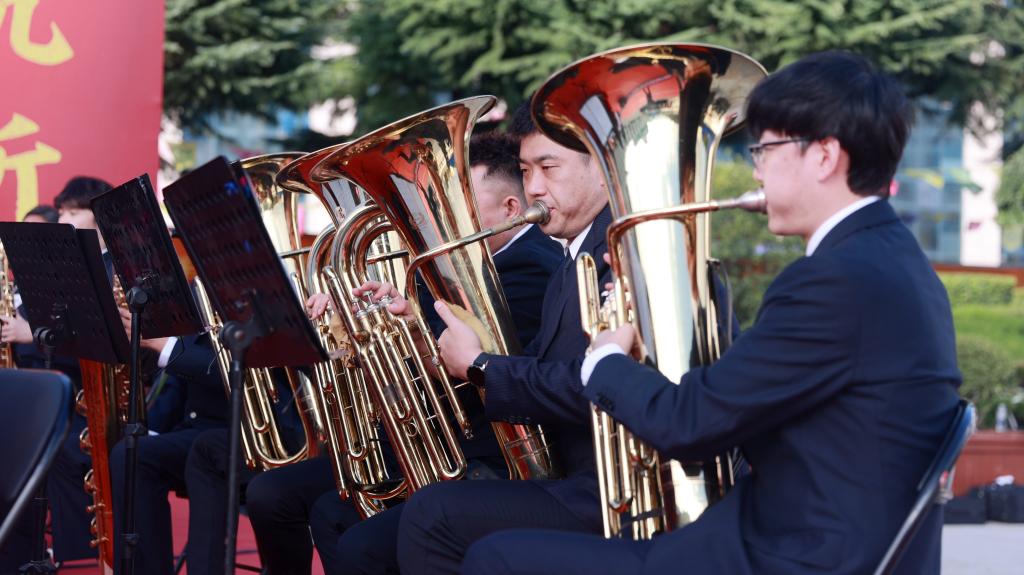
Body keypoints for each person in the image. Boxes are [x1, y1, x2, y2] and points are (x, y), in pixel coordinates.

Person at [460, 51, 962, 575]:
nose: (757, 167)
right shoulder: (892, 262)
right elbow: (754, 398)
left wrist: (605, 359)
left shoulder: (835, 280)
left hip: (793, 556)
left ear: (824, 156)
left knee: (496, 559)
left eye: (765, 149)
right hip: (820, 542)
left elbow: (690, 424)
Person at [392, 104, 613, 575]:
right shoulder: (573, 258)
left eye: (549, 168)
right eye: (527, 171)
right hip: (579, 478)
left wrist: (480, 366)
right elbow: (537, 361)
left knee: (431, 515)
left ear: (601, 168)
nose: (534, 187)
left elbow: (598, 382)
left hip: (607, 491)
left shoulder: (611, 251)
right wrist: (429, 342)